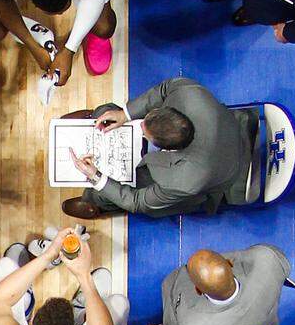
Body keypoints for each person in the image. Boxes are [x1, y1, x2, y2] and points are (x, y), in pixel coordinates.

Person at [62, 78, 249, 220]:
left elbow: (137, 202)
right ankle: (95, 118)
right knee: (109, 112)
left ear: (163, 148)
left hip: (223, 172)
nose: (140, 126)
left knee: (104, 193)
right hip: (226, 128)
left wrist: (96, 175)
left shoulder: (182, 181)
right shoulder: (189, 94)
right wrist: (125, 114)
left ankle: (96, 203)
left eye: (145, 132)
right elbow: (164, 89)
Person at [120, 246, 292, 325]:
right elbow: (282, 266)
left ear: (198, 290)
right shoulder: (266, 260)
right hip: (259, 324)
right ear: (229, 264)